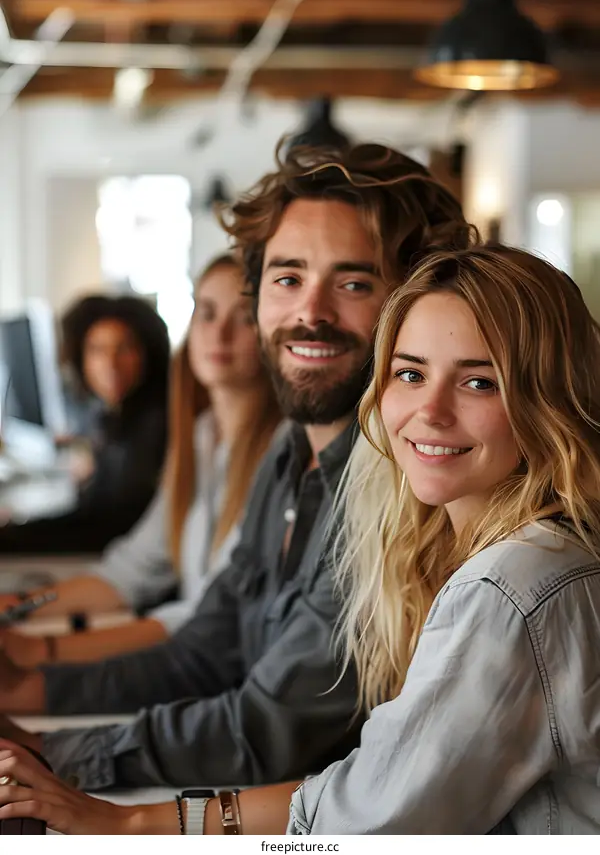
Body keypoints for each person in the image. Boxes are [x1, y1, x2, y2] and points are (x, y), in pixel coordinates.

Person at [4, 242, 600, 835]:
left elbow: (367, 817)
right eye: (411, 374)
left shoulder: (511, 583)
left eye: (479, 383)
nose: (430, 411)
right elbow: (372, 784)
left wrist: (129, 821)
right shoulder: (479, 550)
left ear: (550, 396)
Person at [0, 142, 468, 795]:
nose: (312, 312)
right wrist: (28, 691)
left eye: (354, 283)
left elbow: (269, 727)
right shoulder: (289, 451)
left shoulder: (404, 484)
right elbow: (203, 651)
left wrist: (57, 754)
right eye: (288, 277)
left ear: (414, 301)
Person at [0, 255, 282, 667]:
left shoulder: (283, 453)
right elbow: (131, 570)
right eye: (205, 313)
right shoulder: (200, 437)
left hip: (213, 674)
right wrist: (17, 605)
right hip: (184, 659)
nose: (218, 332)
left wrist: (40, 653)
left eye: (244, 316)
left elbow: (210, 618)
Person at [0, 295, 170, 554]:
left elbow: (107, 525)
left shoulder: (155, 423)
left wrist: (14, 536)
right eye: (97, 350)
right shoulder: (115, 419)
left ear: (147, 353)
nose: (110, 364)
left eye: (124, 348)